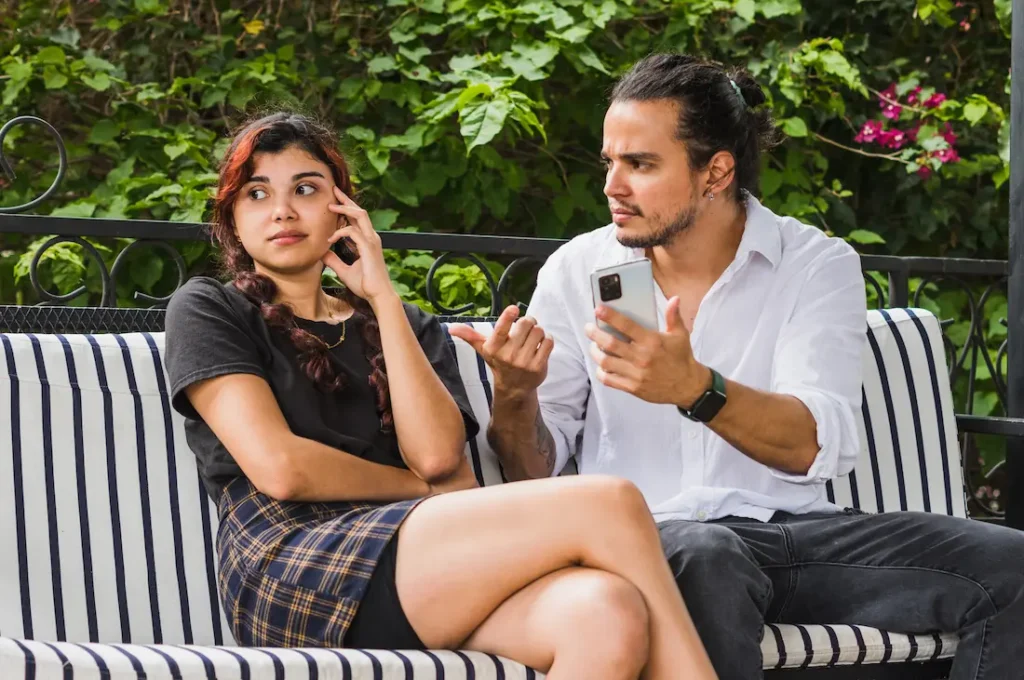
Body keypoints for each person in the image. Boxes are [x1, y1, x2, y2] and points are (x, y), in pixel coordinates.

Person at [450, 54, 1024, 680]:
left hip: (798, 537)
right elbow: (536, 468)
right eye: (609, 162)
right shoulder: (577, 270)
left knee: (1015, 568)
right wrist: (514, 396)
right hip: (649, 537)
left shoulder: (813, 264)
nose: (613, 185)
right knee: (705, 553)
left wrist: (697, 389)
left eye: (640, 164)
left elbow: (813, 440)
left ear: (715, 172)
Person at [163, 112, 717, 680]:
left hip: (421, 566)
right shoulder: (210, 308)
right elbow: (281, 469)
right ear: (232, 216)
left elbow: (436, 457)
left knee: (605, 614)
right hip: (293, 565)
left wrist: (380, 297)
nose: (282, 209)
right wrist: (418, 489)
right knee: (609, 503)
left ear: (343, 211)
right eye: (257, 194)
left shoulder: (405, 325)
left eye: (305, 189)